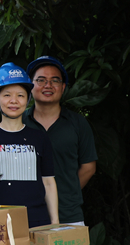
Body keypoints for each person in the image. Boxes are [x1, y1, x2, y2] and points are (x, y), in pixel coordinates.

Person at [0, 63, 58, 228]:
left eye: (20, 95)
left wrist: (55, 221)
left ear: (28, 99)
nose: (14, 101)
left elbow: (48, 182)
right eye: (7, 95)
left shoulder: (39, 138)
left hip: (37, 222)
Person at [24, 55, 98, 225]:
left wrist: (66, 193)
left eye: (55, 80)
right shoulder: (19, 123)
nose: (48, 85)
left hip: (69, 216)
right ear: (30, 86)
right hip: (26, 215)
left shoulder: (78, 123)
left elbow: (88, 167)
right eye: (41, 80)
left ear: (63, 87)